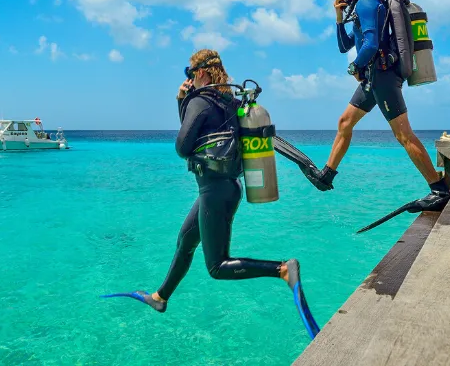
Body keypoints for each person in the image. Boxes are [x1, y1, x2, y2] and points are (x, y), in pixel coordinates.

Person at [101, 49, 319, 339]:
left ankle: (281, 269)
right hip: (222, 188)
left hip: (215, 191)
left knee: (217, 266)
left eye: (190, 73)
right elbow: (200, 135)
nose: (189, 79)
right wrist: (183, 101)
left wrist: (184, 101)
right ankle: (160, 297)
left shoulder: (201, 101)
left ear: (201, 72)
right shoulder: (227, 101)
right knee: (185, 241)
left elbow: (182, 146)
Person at [301, 0, 450, 211]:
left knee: (403, 134)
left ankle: (439, 189)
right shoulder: (360, 5)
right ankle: (327, 174)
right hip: (373, 78)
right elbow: (345, 45)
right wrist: (339, 19)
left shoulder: (367, 3)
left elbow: (371, 44)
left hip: (381, 76)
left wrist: (354, 67)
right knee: (345, 122)